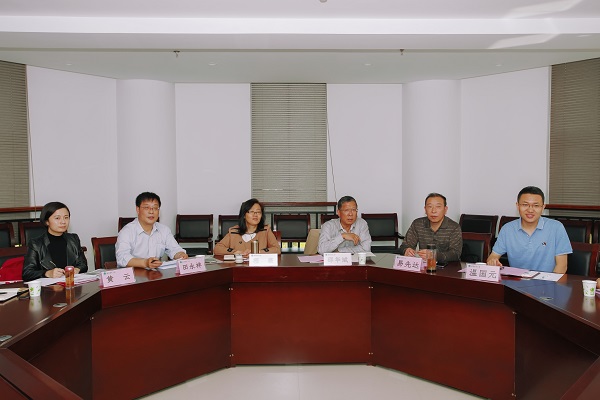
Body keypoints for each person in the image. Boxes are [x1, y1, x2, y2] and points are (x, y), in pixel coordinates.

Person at [487, 186, 572, 273]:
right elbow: (493, 256)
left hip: (548, 280)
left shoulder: (556, 227)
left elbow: (562, 266)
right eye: (525, 205)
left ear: (543, 207)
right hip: (517, 280)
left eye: (536, 205)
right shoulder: (507, 229)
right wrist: (493, 261)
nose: (530, 210)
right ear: (517, 206)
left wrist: (549, 281)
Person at [116, 192, 187, 268]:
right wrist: (145, 263)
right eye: (146, 208)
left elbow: (175, 249)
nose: (151, 212)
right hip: (133, 273)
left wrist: (181, 255)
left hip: (155, 273)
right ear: (138, 209)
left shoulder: (164, 230)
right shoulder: (127, 232)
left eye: (155, 208)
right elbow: (122, 257)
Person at [22, 201, 88, 281]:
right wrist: (47, 273)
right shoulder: (36, 244)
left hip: (71, 285)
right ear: (47, 221)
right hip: (49, 288)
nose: (63, 222)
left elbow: (83, 265)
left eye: (66, 217)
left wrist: (77, 269)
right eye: (57, 218)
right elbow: (27, 273)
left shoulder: (73, 239)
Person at [398, 193, 462, 264]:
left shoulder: (454, 227)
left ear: (445, 209)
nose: (433, 211)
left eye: (438, 206)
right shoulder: (417, 224)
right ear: (425, 209)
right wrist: (406, 250)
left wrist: (434, 255)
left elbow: (456, 254)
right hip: (425, 266)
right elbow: (404, 246)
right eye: (430, 207)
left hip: (448, 267)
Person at [214, 198, 281, 255]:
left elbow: (277, 249)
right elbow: (217, 249)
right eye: (251, 212)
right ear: (244, 215)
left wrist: (258, 252)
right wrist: (237, 252)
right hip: (238, 265)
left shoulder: (265, 230)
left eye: (258, 212)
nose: (255, 215)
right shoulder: (234, 232)